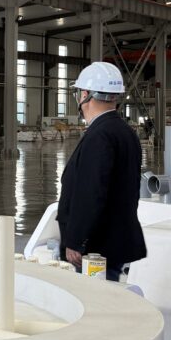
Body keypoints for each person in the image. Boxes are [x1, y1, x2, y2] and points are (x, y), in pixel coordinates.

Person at [57, 61, 146, 281]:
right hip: (115, 239)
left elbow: (90, 192)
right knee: (109, 292)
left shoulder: (99, 136)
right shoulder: (125, 132)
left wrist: (76, 240)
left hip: (97, 247)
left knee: (96, 297)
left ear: (85, 95)